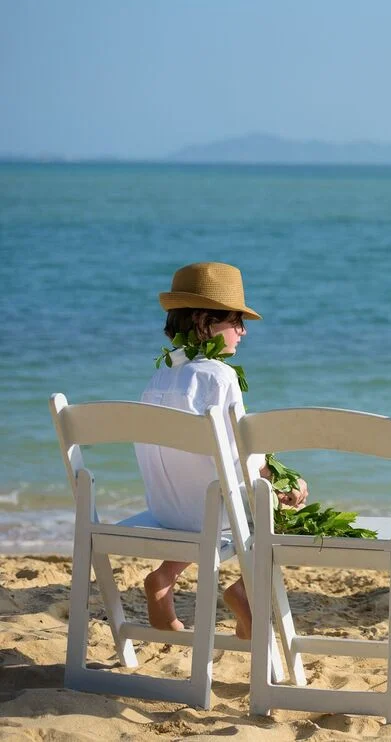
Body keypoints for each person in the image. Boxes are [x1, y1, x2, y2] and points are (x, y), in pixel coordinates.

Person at [137, 261, 308, 637]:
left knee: (207, 492)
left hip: (165, 507)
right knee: (281, 506)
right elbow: (240, 456)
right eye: (236, 321)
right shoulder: (221, 376)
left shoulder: (160, 373)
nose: (243, 332)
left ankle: (164, 577)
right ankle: (245, 591)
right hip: (207, 514)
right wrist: (278, 481)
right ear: (203, 322)